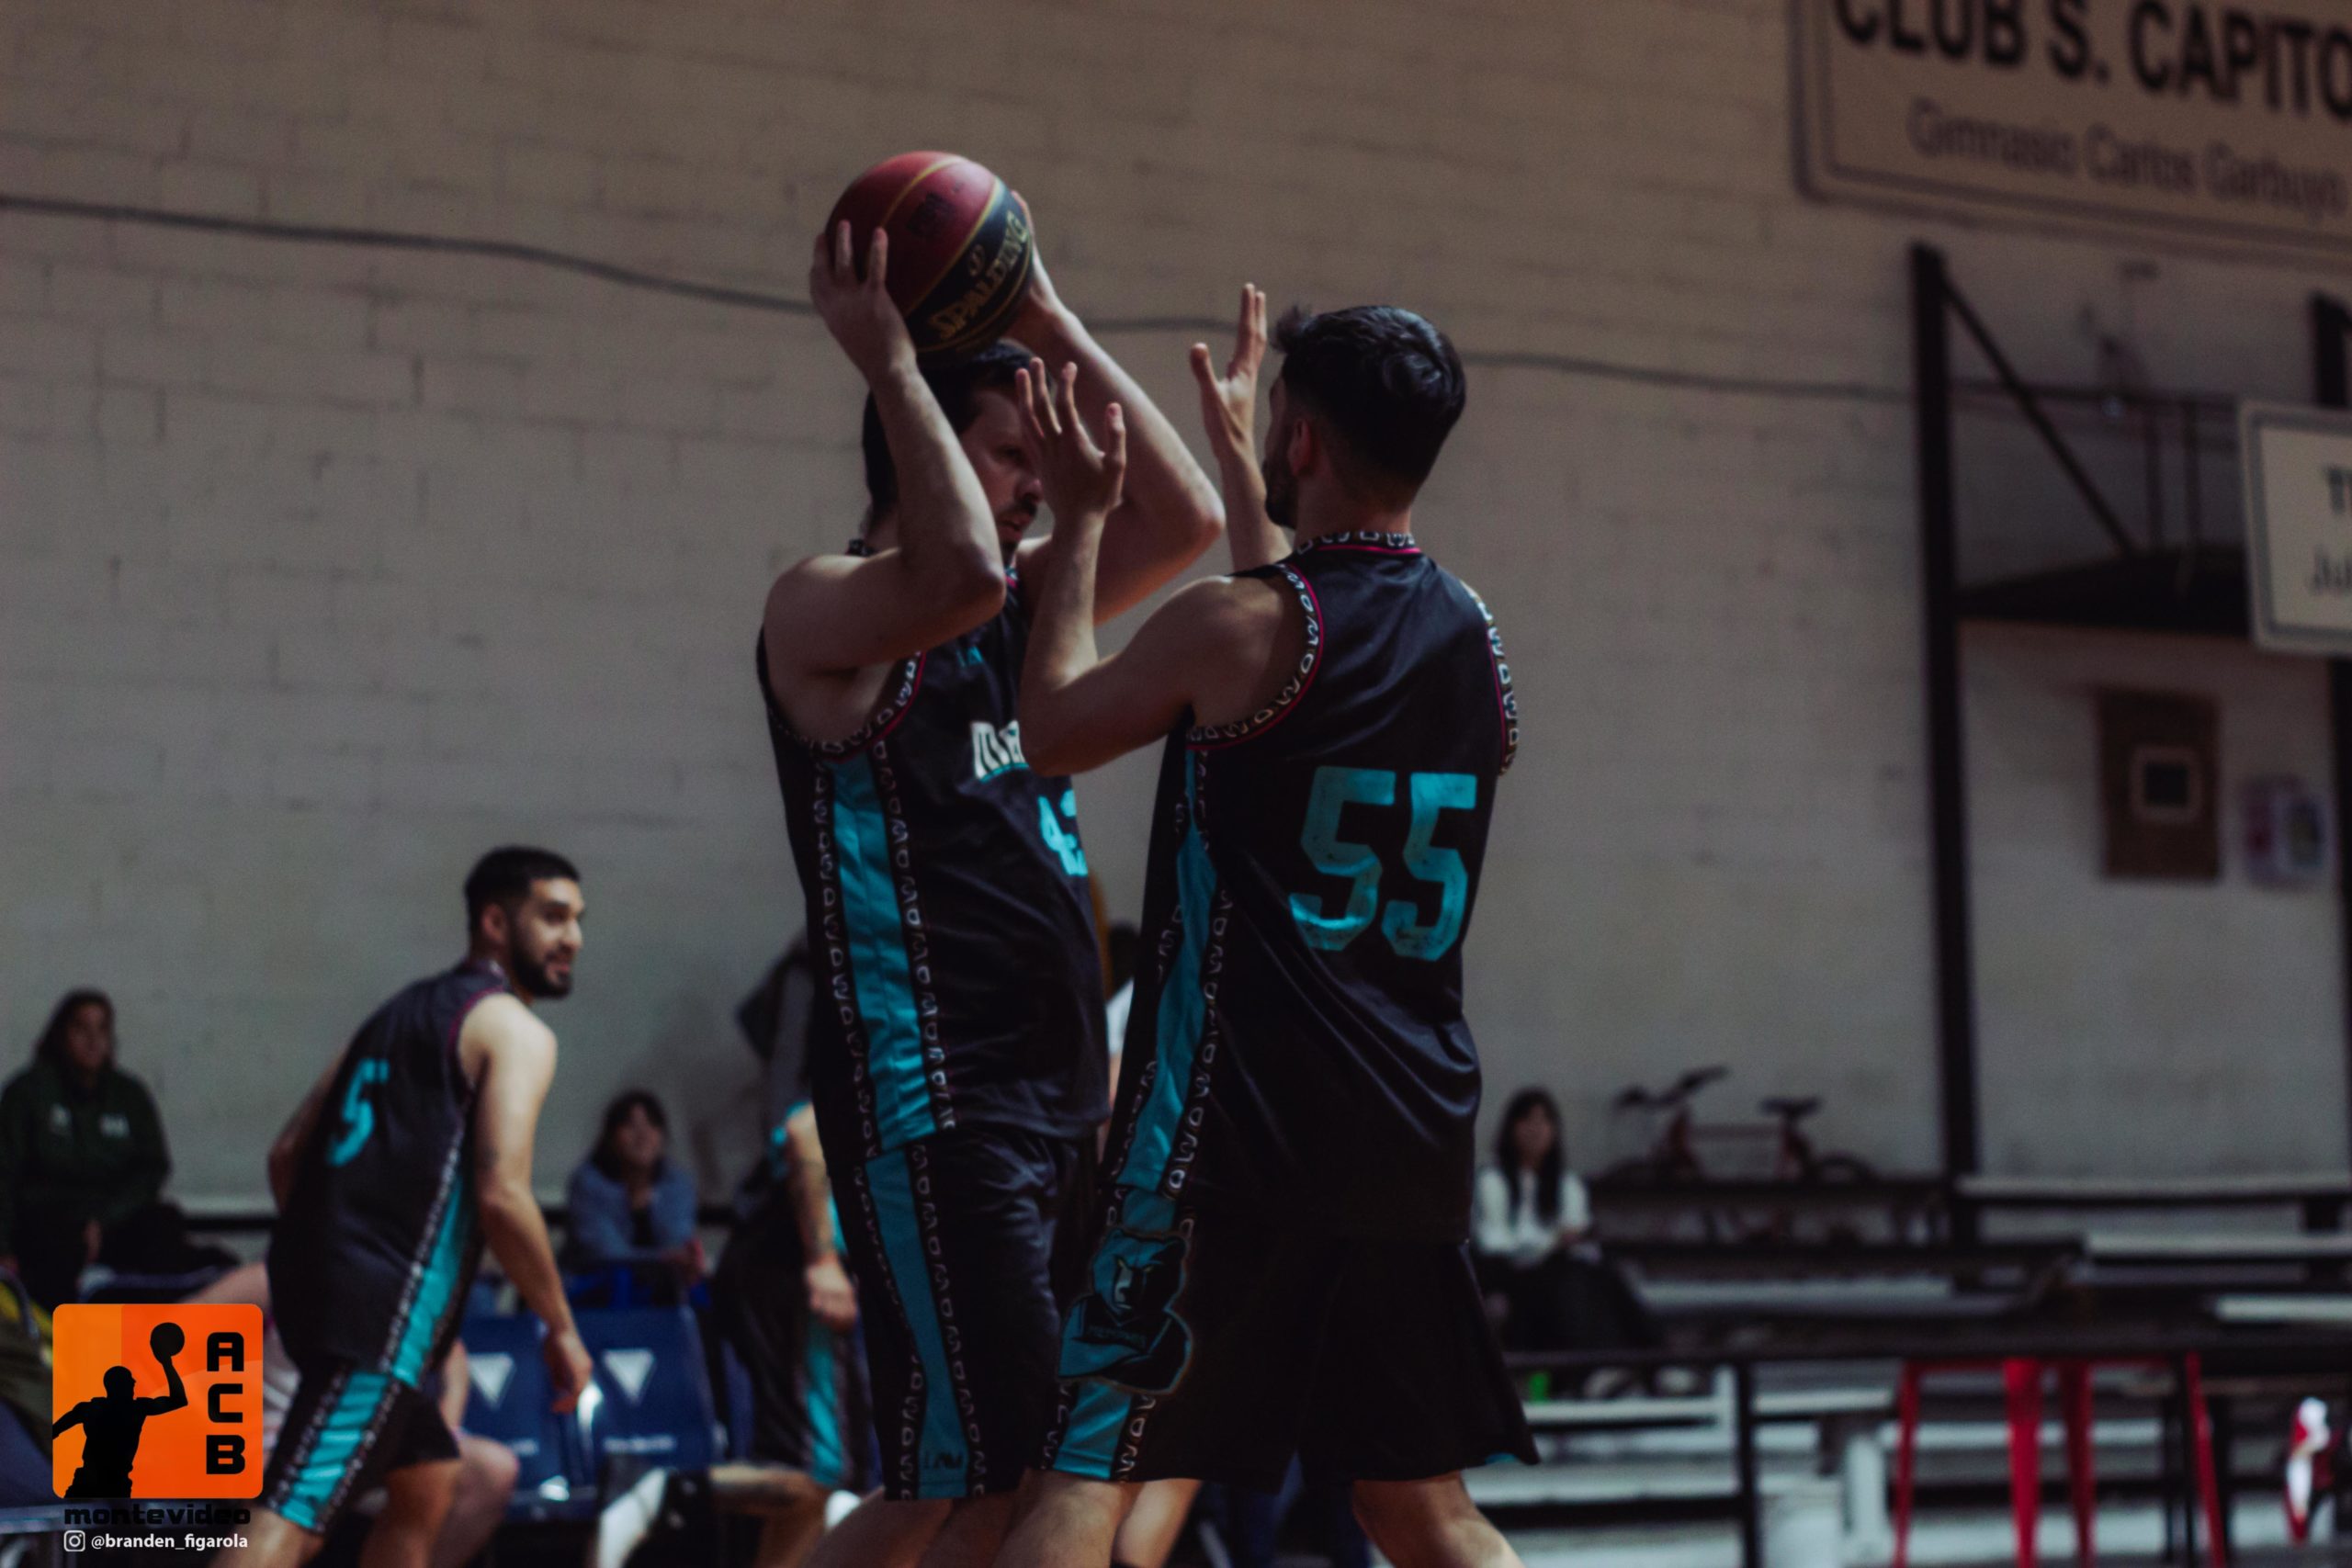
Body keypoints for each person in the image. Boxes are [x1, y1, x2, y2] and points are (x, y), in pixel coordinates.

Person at [995, 291, 1533, 1568]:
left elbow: (1052, 730)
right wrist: (1245, 473)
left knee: (1082, 1477)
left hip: (1228, 1134)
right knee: (1419, 1509)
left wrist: (1082, 517)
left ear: (1304, 438)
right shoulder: (1476, 637)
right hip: (1404, 1134)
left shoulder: (1236, 625)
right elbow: (1312, 660)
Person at [753, 207, 1221, 1568]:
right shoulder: (821, 605)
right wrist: (891, 359)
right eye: (1010, 454)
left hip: (1056, 1106)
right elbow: (955, 566)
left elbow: (1187, 518)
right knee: (1018, 1480)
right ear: (921, 446)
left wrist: (1044, 317)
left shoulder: (1028, 612)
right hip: (938, 1104)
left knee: (950, 1492)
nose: (1037, 482)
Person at [223, 847, 595, 1568]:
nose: (573, 938)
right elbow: (504, 1194)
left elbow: (287, 1155)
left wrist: (332, 1254)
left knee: (428, 1475)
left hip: (318, 1293)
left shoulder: (392, 1014)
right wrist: (560, 1326)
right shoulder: (514, 1030)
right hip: (383, 1308)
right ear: (495, 921)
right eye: (553, 917)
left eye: (579, 919)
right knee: (294, 1513)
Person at [710, 1101, 874, 1568]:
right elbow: (805, 1130)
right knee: (818, 1470)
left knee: (822, 1478)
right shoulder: (867, 1072)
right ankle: (664, 1491)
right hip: (795, 1274)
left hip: (788, 1275)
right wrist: (823, 1261)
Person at [0, 990, 174, 1307]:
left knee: (165, 1225)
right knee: (55, 1245)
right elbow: (5, 1173)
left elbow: (152, 1168)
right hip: (49, 1223)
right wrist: (3, 1249)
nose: (93, 1041)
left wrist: (103, 1220)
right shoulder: (27, 1094)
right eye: (82, 1029)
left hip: (113, 1220)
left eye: (102, 1030)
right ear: (61, 1035)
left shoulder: (128, 1095)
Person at [1475, 1089, 1662, 1382]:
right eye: (1527, 1121)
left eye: (1543, 1122)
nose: (1536, 1130)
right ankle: (1605, 1367)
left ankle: (1651, 1363)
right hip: (1512, 1274)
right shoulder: (1492, 1180)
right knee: (1572, 1281)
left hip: (1561, 1269)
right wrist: (1552, 1242)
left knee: (1603, 1276)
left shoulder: (1567, 1183)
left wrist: (1564, 1243)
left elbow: (1580, 1236)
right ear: (1511, 1128)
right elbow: (1496, 1243)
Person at [562, 1089, 704, 1302]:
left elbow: (678, 1239)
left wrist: (684, 1261)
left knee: (694, 1287)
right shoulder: (587, 1183)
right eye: (630, 1125)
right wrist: (664, 1259)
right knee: (620, 1277)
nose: (643, 1135)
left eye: (651, 1124)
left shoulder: (677, 1183)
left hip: (659, 1283)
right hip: (598, 1286)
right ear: (611, 1137)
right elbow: (605, 1252)